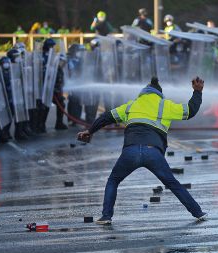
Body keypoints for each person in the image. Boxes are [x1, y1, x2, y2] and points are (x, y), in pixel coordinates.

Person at [77, 77, 208, 225]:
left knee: (113, 180)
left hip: (130, 152)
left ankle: (106, 216)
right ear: (159, 94)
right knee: (172, 183)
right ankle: (198, 213)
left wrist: (90, 131)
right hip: (153, 153)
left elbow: (106, 117)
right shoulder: (166, 105)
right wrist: (197, 92)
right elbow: (190, 110)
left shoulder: (131, 105)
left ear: (143, 93)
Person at [0, 53, 28, 141]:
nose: (7, 64)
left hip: (15, 97)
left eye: (7, 63)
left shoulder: (13, 71)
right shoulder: (0, 73)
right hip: (6, 99)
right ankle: (5, 134)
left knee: (19, 116)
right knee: (8, 118)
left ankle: (18, 133)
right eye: (5, 63)